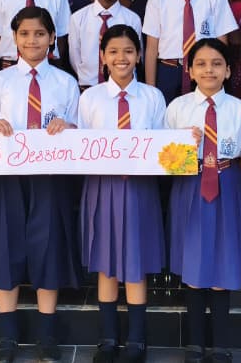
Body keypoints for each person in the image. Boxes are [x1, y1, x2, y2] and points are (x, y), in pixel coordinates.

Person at [0, 6, 82, 363]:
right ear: (14, 38)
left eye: (39, 33)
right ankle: (7, 336)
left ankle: (47, 336)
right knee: (7, 246)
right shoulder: (0, 81)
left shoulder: (65, 82)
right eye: (24, 34)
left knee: (48, 247)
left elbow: (80, 131)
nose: (32, 40)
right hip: (8, 176)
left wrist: (67, 128)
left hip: (50, 177)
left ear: (52, 37)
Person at [79, 25, 167, 363]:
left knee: (135, 261)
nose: (121, 58)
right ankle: (107, 338)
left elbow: (163, 144)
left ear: (139, 55)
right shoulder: (90, 98)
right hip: (102, 186)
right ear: (102, 57)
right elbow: (79, 146)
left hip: (140, 187)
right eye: (113, 51)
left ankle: (136, 340)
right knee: (106, 263)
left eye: (129, 51)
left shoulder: (152, 97)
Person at [165, 38, 241, 363]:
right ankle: (195, 344)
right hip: (190, 183)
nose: (209, 70)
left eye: (217, 64)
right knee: (194, 258)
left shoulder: (240, 110)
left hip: (227, 184)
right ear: (189, 70)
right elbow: (161, 159)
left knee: (223, 258)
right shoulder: (178, 108)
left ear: (228, 70)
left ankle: (221, 345)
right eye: (200, 64)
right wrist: (181, 146)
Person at [68, 0, 142, 90]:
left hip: (123, 88)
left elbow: (136, 54)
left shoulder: (132, 19)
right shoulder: (78, 18)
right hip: (87, 88)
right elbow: (75, 57)